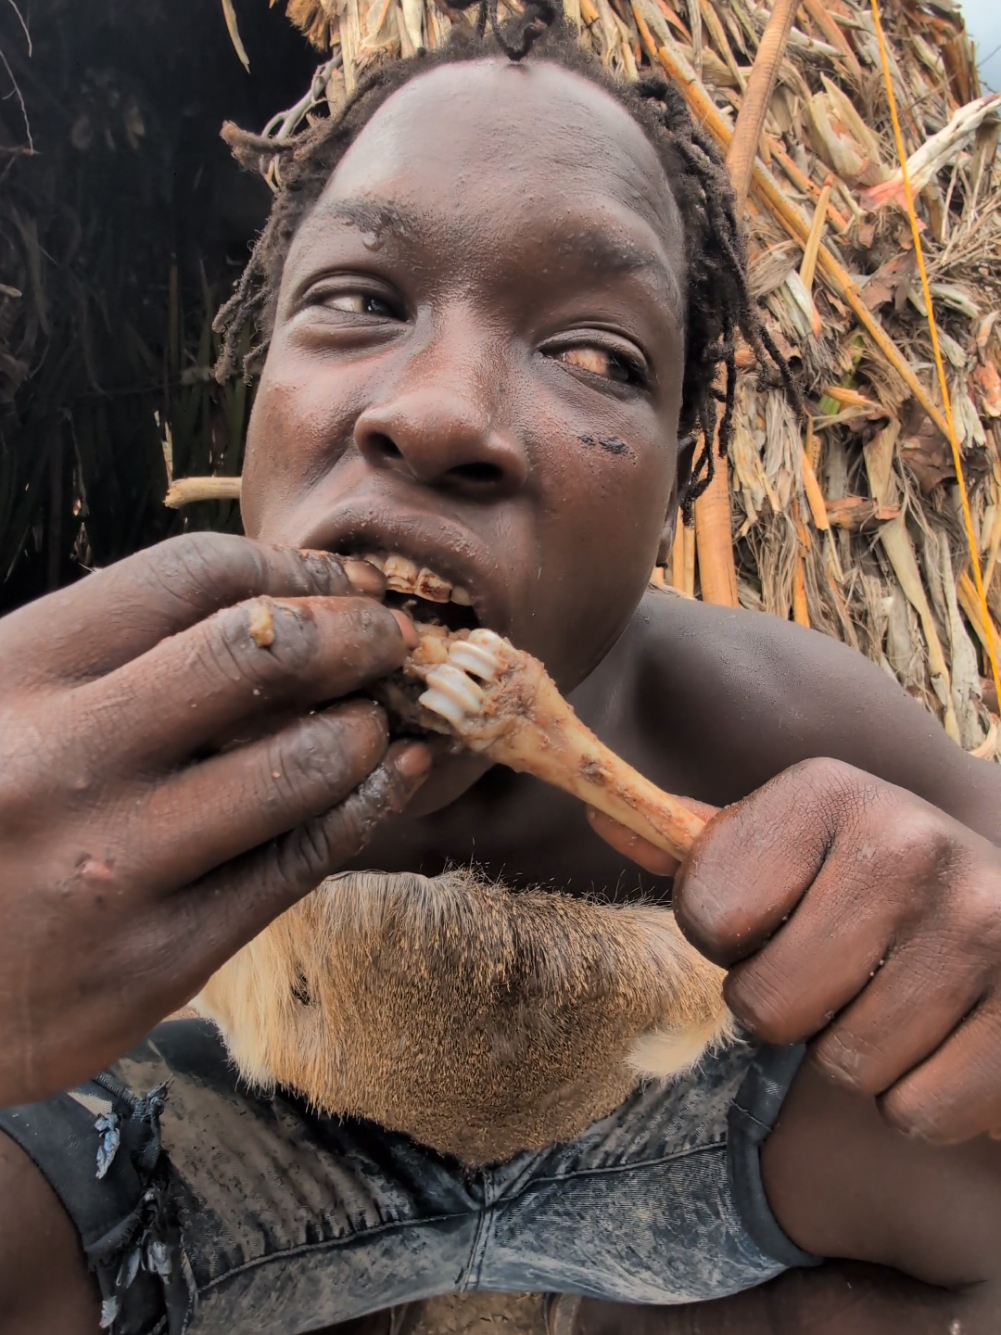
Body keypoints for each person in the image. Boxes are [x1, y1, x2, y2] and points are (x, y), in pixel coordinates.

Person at [2, 6, 1001, 1333]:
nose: (437, 412)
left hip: (670, 1180)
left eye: (594, 355)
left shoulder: (770, 724)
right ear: (257, 379)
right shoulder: (74, 748)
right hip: (221, 1182)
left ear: (679, 475)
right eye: (357, 302)